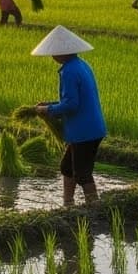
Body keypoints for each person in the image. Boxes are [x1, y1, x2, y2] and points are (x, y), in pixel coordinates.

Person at [32, 26, 106, 206]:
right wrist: (49, 105)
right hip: (87, 128)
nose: (52, 56)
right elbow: (72, 100)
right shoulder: (80, 65)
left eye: (54, 52)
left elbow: (72, 105)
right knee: (67, 168)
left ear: (63, 53)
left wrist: (47, 111)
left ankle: (95, 207)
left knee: (82, 173)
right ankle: (68, 203)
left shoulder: (69, 71)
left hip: (84, 131)